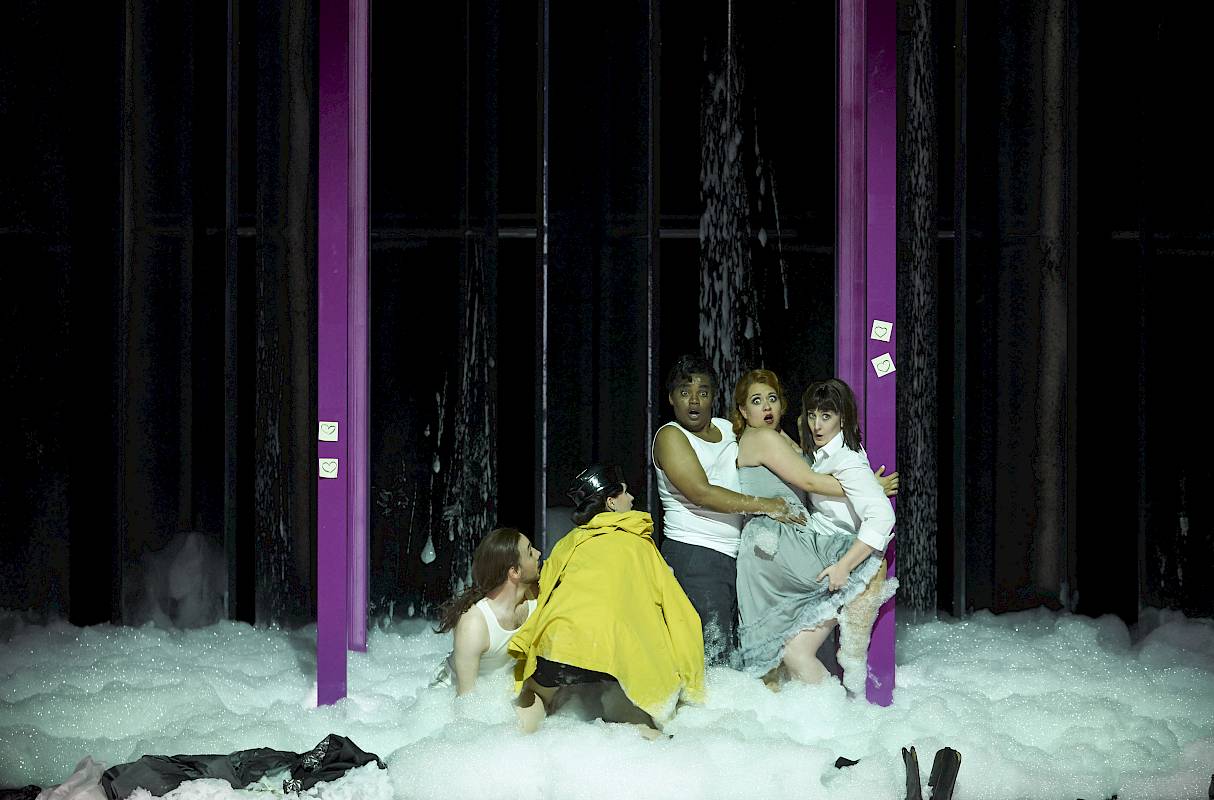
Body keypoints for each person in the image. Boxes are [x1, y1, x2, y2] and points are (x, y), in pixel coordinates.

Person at [652, 354, 854, 665]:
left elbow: (774, 447)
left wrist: (797, 432)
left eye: (702, 392)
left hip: (735, 556)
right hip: (697, 555)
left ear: (713, 397)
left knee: (737, 656)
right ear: (671, 398)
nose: (694, 400)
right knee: (713, 657)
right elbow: (701, 493)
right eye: (684, 392)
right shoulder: (670, 436)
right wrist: (767, 505)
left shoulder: (725, 429)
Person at [508, 465, 705, 737]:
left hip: (562, 641)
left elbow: (544, 588)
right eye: (625, 492)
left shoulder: (570, 542)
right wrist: (691, 685)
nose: (632, 498)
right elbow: (680, 614)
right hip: (616, 649)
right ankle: (659, 746)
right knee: (636, 718)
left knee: (538, 695)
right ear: (611, 502)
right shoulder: (641, 546)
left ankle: (512, 745)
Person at [732, 370, 897, 692]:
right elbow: (809, 480)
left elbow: (810, 470)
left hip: (781, 543)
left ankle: (815, 707)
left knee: (785, 653)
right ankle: (851, 671)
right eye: (756, 401)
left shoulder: (784, 439)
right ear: (743, 410)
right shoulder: (762, 437)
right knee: (867, 561)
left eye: (772, 398)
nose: (766, 407)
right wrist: (869, 487)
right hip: (773, 543)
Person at [432, 527, 542, 695]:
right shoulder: (474, 624)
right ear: (514, 571)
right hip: (446, 697)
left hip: (498, 692)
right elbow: (466, 697)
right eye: (530, 552)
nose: (538, 553)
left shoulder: (535, 596)